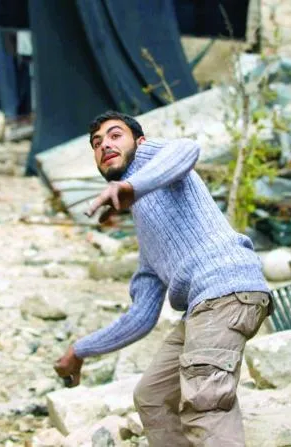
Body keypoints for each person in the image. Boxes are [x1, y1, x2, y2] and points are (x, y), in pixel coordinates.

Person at [53, 111, 273, 446]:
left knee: (206, 402)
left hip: (227, 291)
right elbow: (141, 317)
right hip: (203, 307)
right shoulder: (147, 240)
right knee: (153, 396)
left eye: (115, 135)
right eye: (96, 143)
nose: (105, 145)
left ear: (139, 142)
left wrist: (131, 186)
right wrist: (80, 350)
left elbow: (186, 149)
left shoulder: (152, 159)